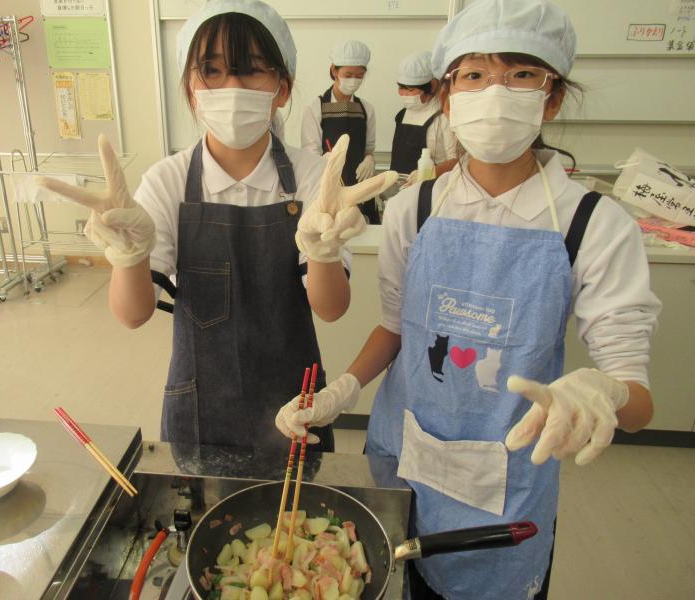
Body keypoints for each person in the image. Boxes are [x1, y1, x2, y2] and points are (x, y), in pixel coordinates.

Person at [276, 0, 662, 598]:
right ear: (449, 97)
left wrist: (606, 392)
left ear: (552, 97)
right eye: (474, 74)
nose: (495, 92)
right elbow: (396, 328)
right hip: (404, 457)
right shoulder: (414, 208)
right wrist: (343, 390)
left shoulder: (593, 225)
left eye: (521, 74)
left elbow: (638, 401)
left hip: (505, 491)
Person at [41, 0, 395, 452]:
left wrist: (322, 251)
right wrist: (129, 257)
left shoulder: (313, 177)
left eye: (251, 70)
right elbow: (133, 315)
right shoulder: (168, 181)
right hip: (199, 404)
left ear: (282, 89)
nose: (232, 87)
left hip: (295, 402)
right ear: (191, 89)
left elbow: (330, 309)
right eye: (212, 71)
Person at [301, 40, 381, 224]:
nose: (353, 80)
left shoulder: (366, 109)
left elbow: (369, 147)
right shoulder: (315, 109)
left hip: (360, 187)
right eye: (348, 74)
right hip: (326, 187)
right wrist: (324, 162)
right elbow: (310, 154)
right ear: (334, 71)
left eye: (359, 75)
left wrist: (370, 159)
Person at [391, 50, 458, 187]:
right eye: (401, 88)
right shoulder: (402, 115)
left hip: (433, 188)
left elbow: (456, 161)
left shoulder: (445, 117)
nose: (404, 94)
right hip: (399, 186)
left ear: (433, 86)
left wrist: (430, 173)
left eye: (410, 90)